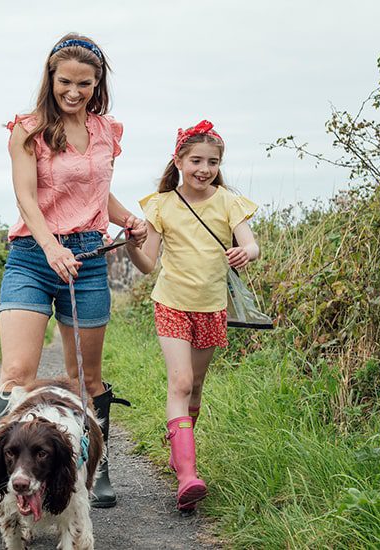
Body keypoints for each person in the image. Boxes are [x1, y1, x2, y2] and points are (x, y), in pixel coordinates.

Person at [0, 33, 148, 524]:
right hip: (32, 253)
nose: (74, 91)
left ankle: (94, 466)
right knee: (17, 374)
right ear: (50, 79)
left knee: (83, 379)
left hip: (87, 256)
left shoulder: (107, 131)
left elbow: (96, 193)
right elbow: (27, 196)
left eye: (84, 83)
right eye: (65, 81)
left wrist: (128, 218)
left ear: (97, 83)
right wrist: (50, 246)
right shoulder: (28, 129)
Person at [124, 120, 260, 511]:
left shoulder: (229, 202)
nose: (204, 169)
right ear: (179, 160)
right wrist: (133, 246)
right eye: (196, 160)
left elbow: (252, 245)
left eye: (213, 162)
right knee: (180, 383)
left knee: (196, 387)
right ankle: (187, 476)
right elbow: (148, 264)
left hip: (212, 307)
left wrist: (244, 253)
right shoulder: (161, 205)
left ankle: (178, 453)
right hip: (171, 303)